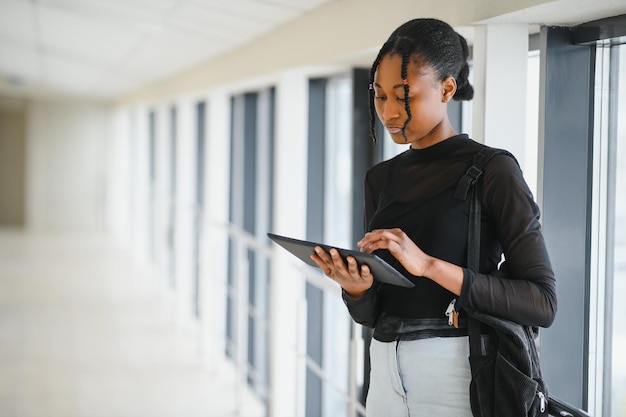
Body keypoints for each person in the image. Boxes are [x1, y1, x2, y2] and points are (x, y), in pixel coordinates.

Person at [310, 17, 557, 416]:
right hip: (385, 370)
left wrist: (427, 265)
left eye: (403, 95)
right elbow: (375, 313)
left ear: (447, 88)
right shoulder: (380, 178)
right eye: (380, 95)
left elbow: (542, 301)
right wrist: (356, 289)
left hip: (460, 373)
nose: (389, 111)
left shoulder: (492, 169)